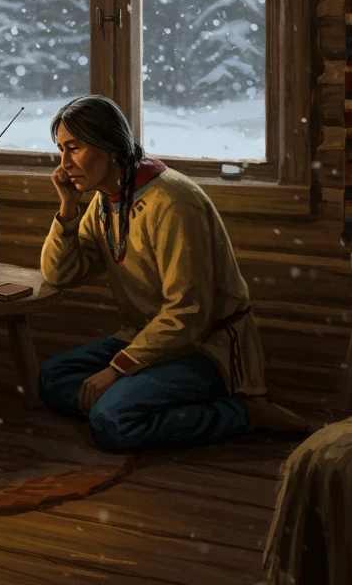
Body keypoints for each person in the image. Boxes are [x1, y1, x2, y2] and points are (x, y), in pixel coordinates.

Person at [37, 94, 307, 452]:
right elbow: (60, 275)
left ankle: (240, 412)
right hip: (144, 339)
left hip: (203, 346)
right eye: (60, 150)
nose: (64, 163)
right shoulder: (105, 199)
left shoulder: (173, 201)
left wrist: (116, 371)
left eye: (74, 148)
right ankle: (135, 400)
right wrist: (68, 209)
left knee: (111, 423)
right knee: (51, 378)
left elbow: (188, 312)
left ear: (111, 147)